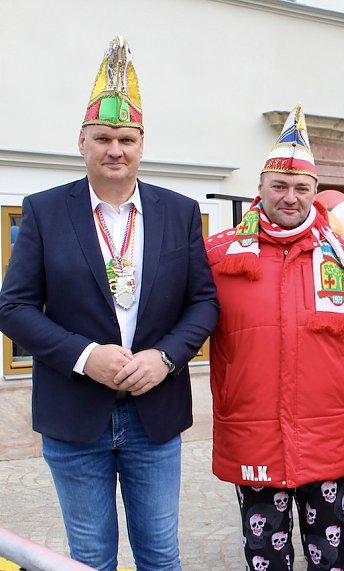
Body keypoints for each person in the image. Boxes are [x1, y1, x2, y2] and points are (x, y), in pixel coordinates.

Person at [0, 37, 219, 571]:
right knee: (91, 558)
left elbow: (204, 303)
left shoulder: (180, 212)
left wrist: (165, 357)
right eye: (103, 138)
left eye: (126, 138)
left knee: (161, 555)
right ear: (82, 142)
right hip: (75, 413)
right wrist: (84, 356)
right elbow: (14, 307)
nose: (114, 149)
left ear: (142, 144)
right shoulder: (46, 211)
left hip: (154, 412)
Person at [205, 104, 344, 571]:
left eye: (301, 187)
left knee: (330, 558)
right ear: (260, 189)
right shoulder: (219, 255)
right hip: (254, 434)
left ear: (316, 192)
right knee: (265, 558)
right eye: (279, 186)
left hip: (326, 436)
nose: (290, 196)